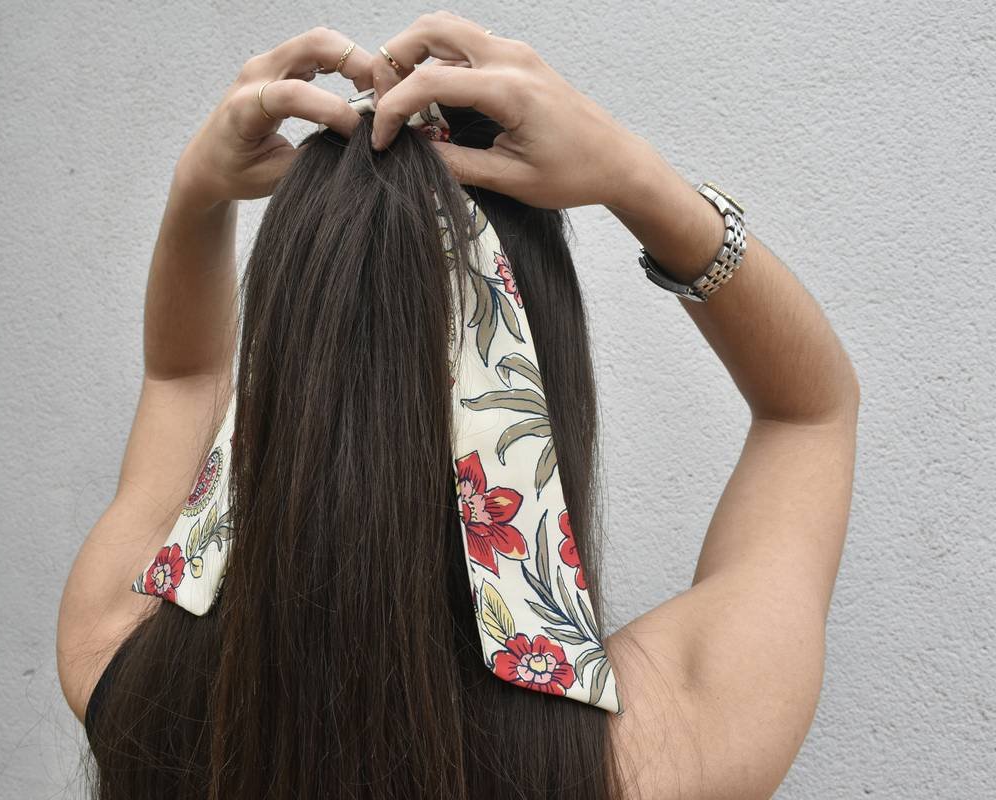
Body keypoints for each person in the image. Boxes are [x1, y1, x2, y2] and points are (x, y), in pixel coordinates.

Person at [56, 12, 861, 799]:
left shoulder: (116, 665)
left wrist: (197, 192)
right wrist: (634, 176)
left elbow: (183, 379)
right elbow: (809, 413)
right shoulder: (659, 752)